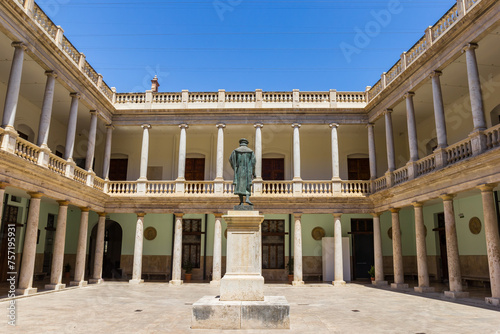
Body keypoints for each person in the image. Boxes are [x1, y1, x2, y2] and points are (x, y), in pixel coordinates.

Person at [229, 138, 256, 205]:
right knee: (247, 185)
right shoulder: (250, 152)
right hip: (248, 171)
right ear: (246, 144)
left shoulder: (235, 151)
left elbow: (230, 160)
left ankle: (241, 202)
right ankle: (247, 199)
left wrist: (235, 168)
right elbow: (253, 163)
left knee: (239, 186)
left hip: (239, 171)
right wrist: (253, 172)